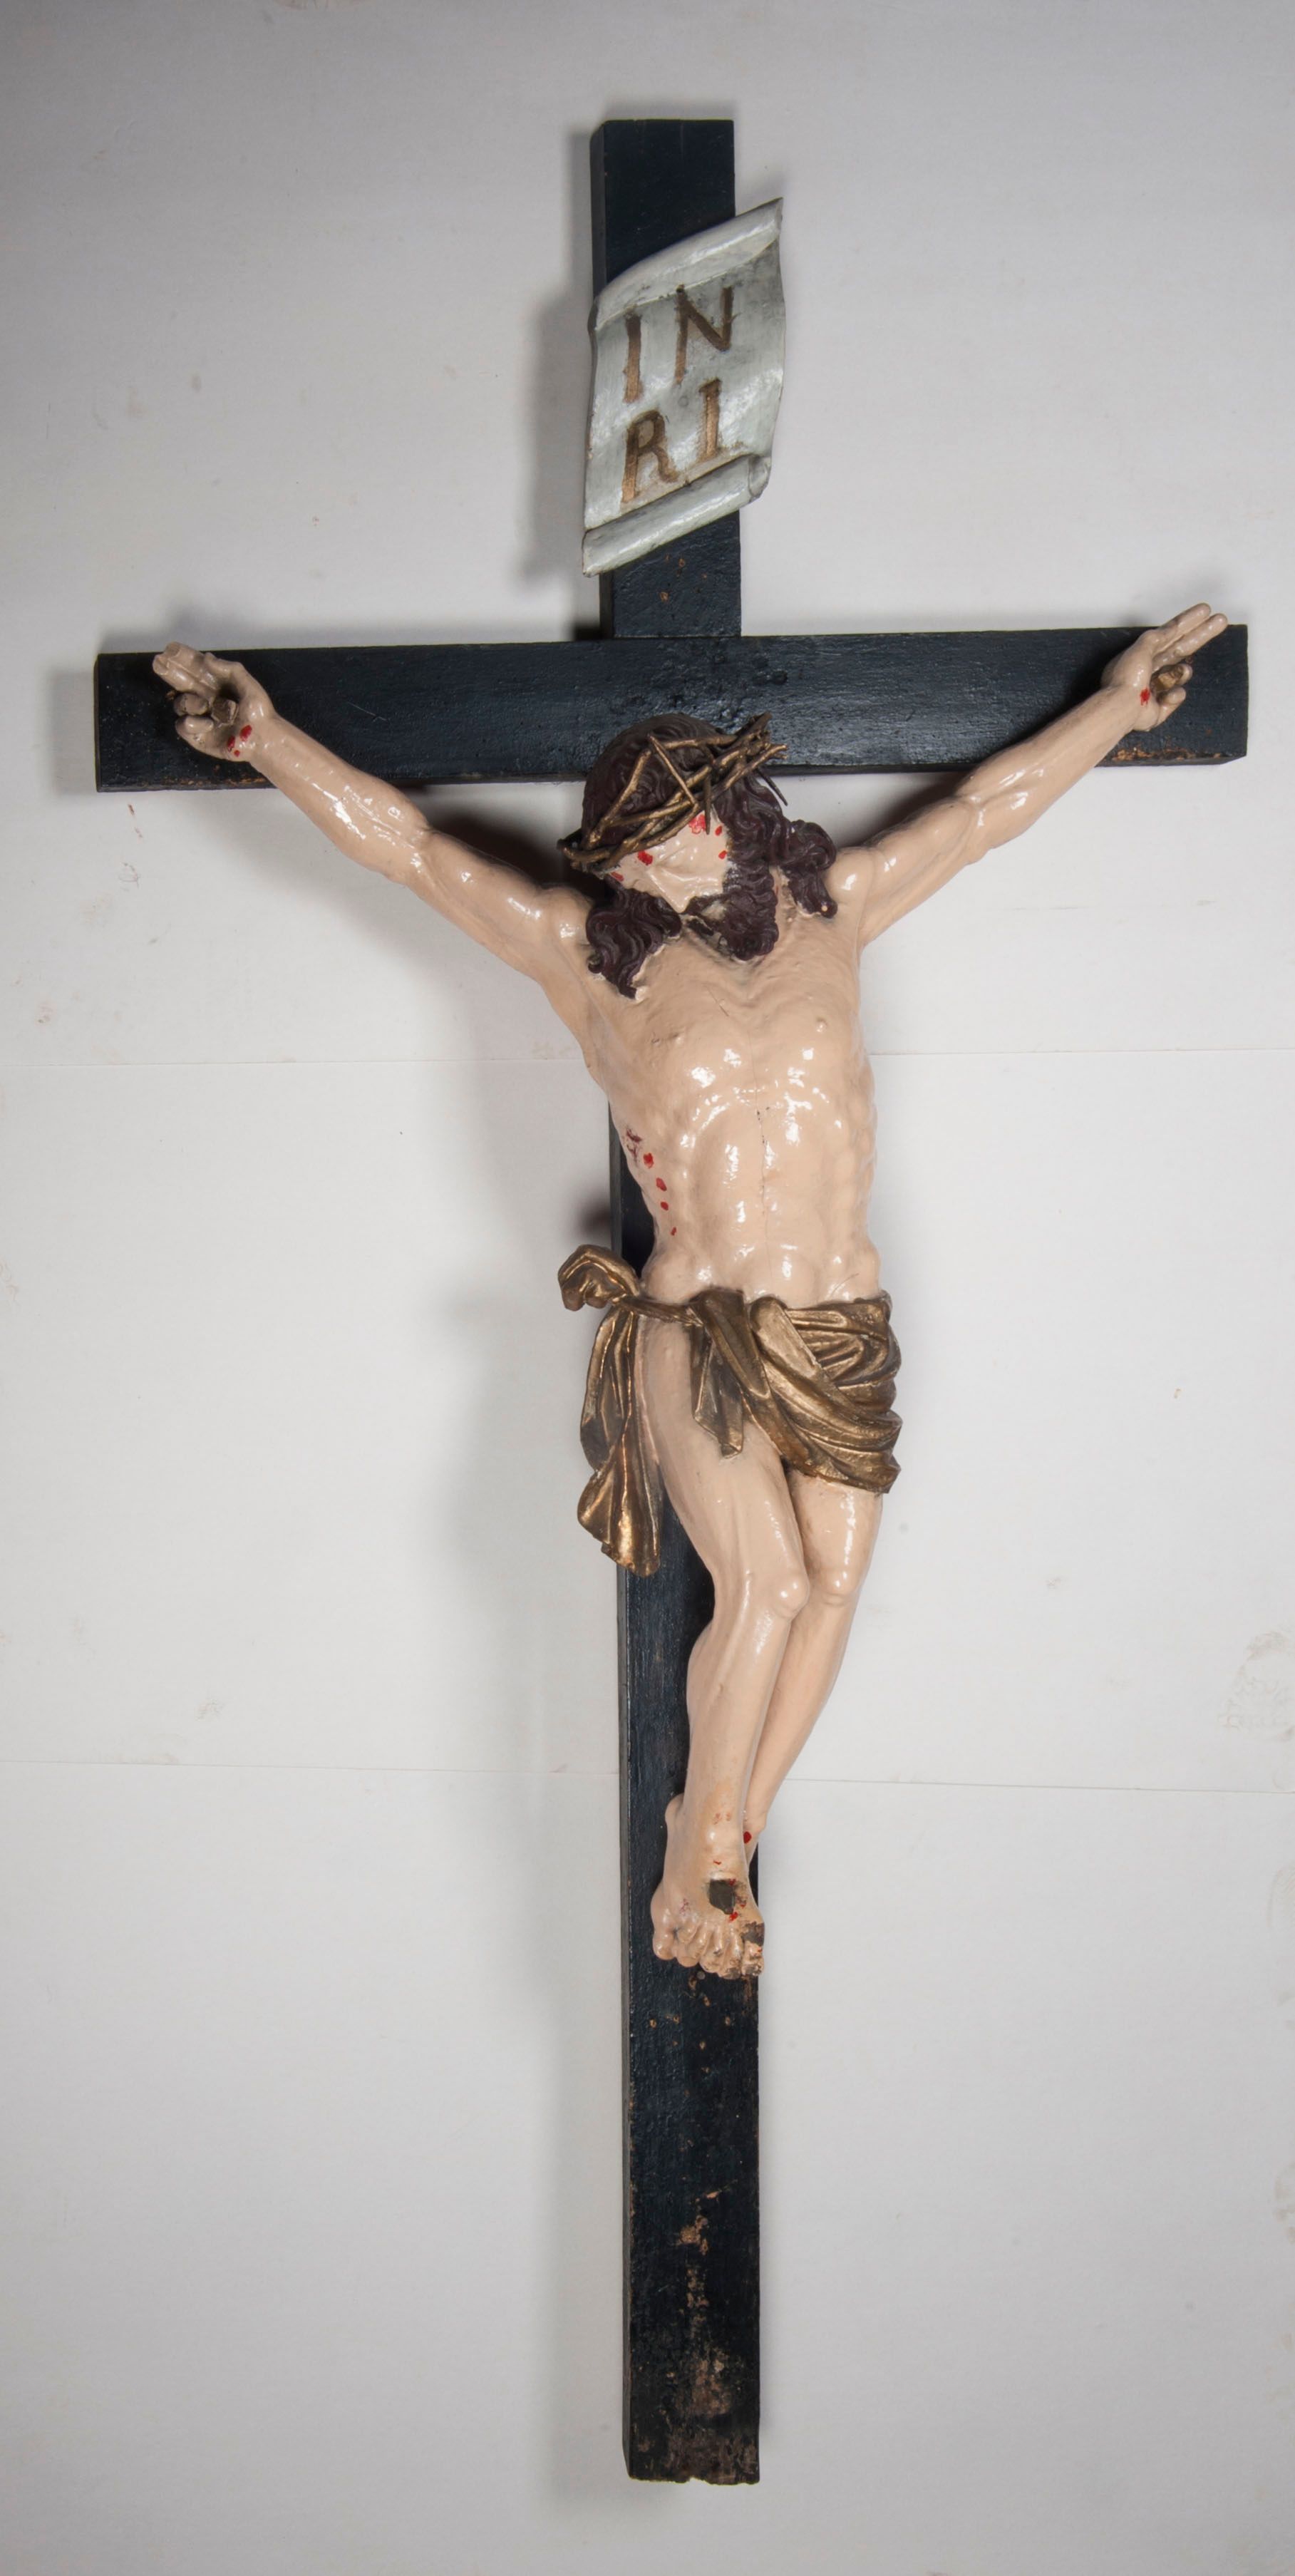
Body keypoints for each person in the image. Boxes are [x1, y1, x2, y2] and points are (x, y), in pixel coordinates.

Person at [153, 604, 1226, 1980]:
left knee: (832, 1587)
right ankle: (700, 1853)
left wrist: (1120, 706)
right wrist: (264, 740)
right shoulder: (590, 961)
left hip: (843, 1320)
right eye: (630, 845)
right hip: (701, 1321)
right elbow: (410, 851)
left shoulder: (838, 911)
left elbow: (982, 812)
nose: (651, 858)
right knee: (764, 1583)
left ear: (729, 809)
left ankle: (726, 1830)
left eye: (671, 826)